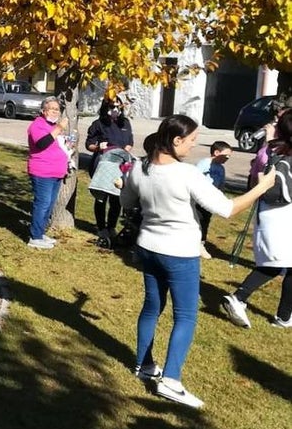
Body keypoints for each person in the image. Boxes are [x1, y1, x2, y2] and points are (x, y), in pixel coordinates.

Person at [120, 114, 274, 409]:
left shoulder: (139, 168)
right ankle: (171, 381)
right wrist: (261, 187)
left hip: (148, 248)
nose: (193, 146)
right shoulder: (186, 173)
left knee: (152, 307)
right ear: (176, 140)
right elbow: (227, 209)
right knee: (186, 316)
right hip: (179, 253)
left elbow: (126, 202)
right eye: (191, 140)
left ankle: (145, 365)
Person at [222, 116, 292, 329]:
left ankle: (284, 316)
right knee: (275, 264)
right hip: (281, 214)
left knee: (282, 264)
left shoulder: (273, 150)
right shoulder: (277, 151)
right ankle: (239, 297)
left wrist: (269, 141)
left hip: (269, 212)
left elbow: (261, 171)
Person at [85, 97, 135, 246]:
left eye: (118, 107)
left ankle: (111, 226)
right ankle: (101, 228)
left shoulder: (125, 123)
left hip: (120, 164)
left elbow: (130, 141)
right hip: (103, 163)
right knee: (101, 197)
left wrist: (125, 151)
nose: (115, 110)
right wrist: (98, 147)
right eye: (112, 106)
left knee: (116, 197)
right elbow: (89, 144)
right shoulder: (98, 124)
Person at [26, 97, 71, 250]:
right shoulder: (37, 125)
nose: (55, 112)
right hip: (42, 172)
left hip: (56, 172)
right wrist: (59, 128)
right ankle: (35, 237)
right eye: (51, 109)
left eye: (57, 109)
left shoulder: (52, 126)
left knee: (50, 205)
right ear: (43, 111)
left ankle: (40, 232)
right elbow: (42, 143)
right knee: (42, 204)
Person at [194, 140, 232, 259]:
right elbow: (195, 178)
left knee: (205, 220)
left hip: (211, 200)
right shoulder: (204, 164)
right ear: (216, 153)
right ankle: (194, 242)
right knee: (197, 220)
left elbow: (221, 184)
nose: (227, 159)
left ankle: (201, 243)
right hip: (199, 198)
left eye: (229, 157)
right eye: (226, 156)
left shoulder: (221, 168)